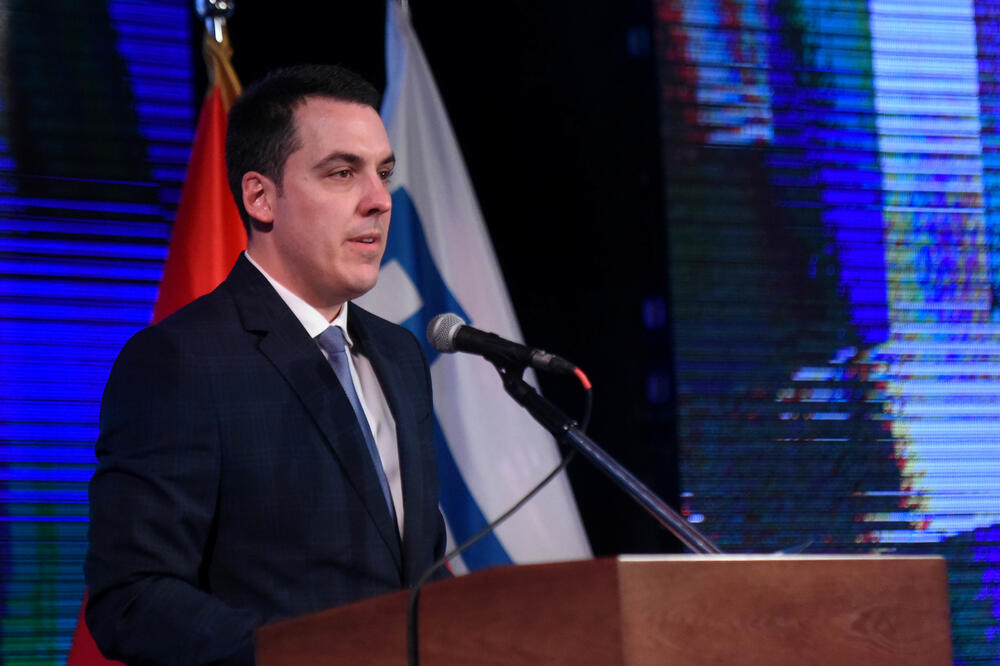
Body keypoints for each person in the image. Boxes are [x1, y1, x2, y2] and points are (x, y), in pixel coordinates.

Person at [85, 64, 448, 665]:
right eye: (342, 173)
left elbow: (415, 568)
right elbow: (132, 598)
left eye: (383, 173)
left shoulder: (401, 356)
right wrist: (309, 656)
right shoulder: (181, 361)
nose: (380, 200)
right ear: (260, 197)